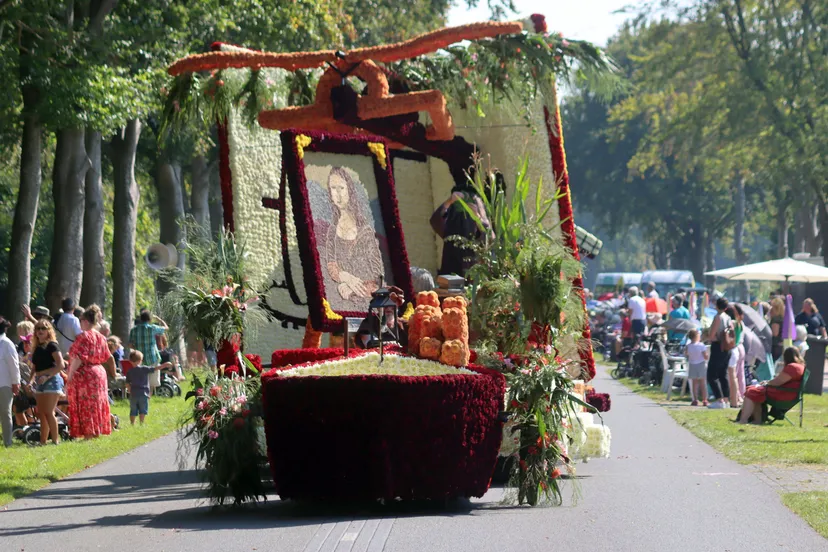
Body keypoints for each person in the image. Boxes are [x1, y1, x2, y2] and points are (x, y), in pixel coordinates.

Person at [317, 167, 385, 309]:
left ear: (350, 190)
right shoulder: (332, 231)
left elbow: (378, 277)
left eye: (341, 188)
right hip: (342, 305)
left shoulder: (365, 231)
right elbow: (331, 266)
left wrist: (354, 289)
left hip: (369, 306)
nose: (338, 194)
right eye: (333, 188)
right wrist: (345, 277)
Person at [67, 305, 114, 439]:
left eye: (80, 321)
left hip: (85, 375)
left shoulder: (84, 336)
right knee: (97, 403)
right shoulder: (101, 337)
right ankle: (96, 432)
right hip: (99, 372)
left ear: (85, 321)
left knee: (86, 405)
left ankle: (88, 434)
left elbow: (78, 358)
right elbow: (108, 357)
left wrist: (70, 375)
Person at [430, 184, 491, 279]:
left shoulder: (479, 210)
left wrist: (477, 217)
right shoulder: (452, 219)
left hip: (473, 271)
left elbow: (489, 237)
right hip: (451, 269)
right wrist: (450, 201)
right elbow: (435, 220)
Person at [739, 347, 806, 424]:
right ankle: (757, 420)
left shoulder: (792, 367)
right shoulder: (800, 366)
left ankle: (743, 420)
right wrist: (767, 382)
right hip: (789, 394)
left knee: (751, 391)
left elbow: (777, 382)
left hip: (783, 395)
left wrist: (766, 383)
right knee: (754, 390)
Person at [29, 319, 65, 445]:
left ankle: (55, 440)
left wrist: (47, 376)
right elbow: (34, 368)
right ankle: (43, 441)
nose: (40, 331)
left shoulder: (52, 345)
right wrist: (30, 381)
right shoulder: (37, 348)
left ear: (48, 331)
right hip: (39, 381)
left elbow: (61, 365)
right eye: (37, 329)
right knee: (41, 413)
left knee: (49, 412)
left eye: (43, 328)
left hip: (52, 380)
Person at [124, 350, 172, 425]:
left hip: (134, 394)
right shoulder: (144, 369)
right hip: (144, 393)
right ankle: (141, 423)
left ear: (130, 361)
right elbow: (155, 368)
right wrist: (165, 364)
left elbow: (127, 383)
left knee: (133, 410)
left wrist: (130, 390)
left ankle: (132, 423)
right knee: (143, 410)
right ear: (140, 361)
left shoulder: (130, 371)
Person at [128, 310, 168, 394]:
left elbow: (130, 345)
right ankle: (148, 397)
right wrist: (159, 320)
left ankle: (141, 395)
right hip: (152, 357)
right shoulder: (152, 328)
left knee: (142, 380)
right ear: (149, 319)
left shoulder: (134, 330)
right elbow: (166, 328)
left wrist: (137, 347)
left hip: (139, 359)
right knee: (152, 381)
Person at [706, 297, 732, 409]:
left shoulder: (718, 317)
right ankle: (726, 399)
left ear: (717, 306)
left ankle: (719, 399)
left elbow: (712, 336)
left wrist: (708, 336)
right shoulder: (728, 317)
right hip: (727, 347)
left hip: (718, 346)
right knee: (723, 374)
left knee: (711, 375)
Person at [0, 317, 21, 447]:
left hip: (4, 384)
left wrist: (15, 382)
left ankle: (7, 441)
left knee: (5, 412)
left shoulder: (6, 343)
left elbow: (14, 365)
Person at [726, 305, 746, 408]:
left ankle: (736, 396)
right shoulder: (740, 323)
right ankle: (742, 395)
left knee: (733, 376)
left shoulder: (732, 324)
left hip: (734, 348)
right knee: (740, 375)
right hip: (741, 348)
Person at [685, 329, 709, 406]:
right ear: (697, 336)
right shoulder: (701, 345)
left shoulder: (688, 346)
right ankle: (705, 399)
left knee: (694, 383)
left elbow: (686, 354)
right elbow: (705, 356)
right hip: (701, 364)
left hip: (692, 364)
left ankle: (695, 399)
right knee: (703, 383)